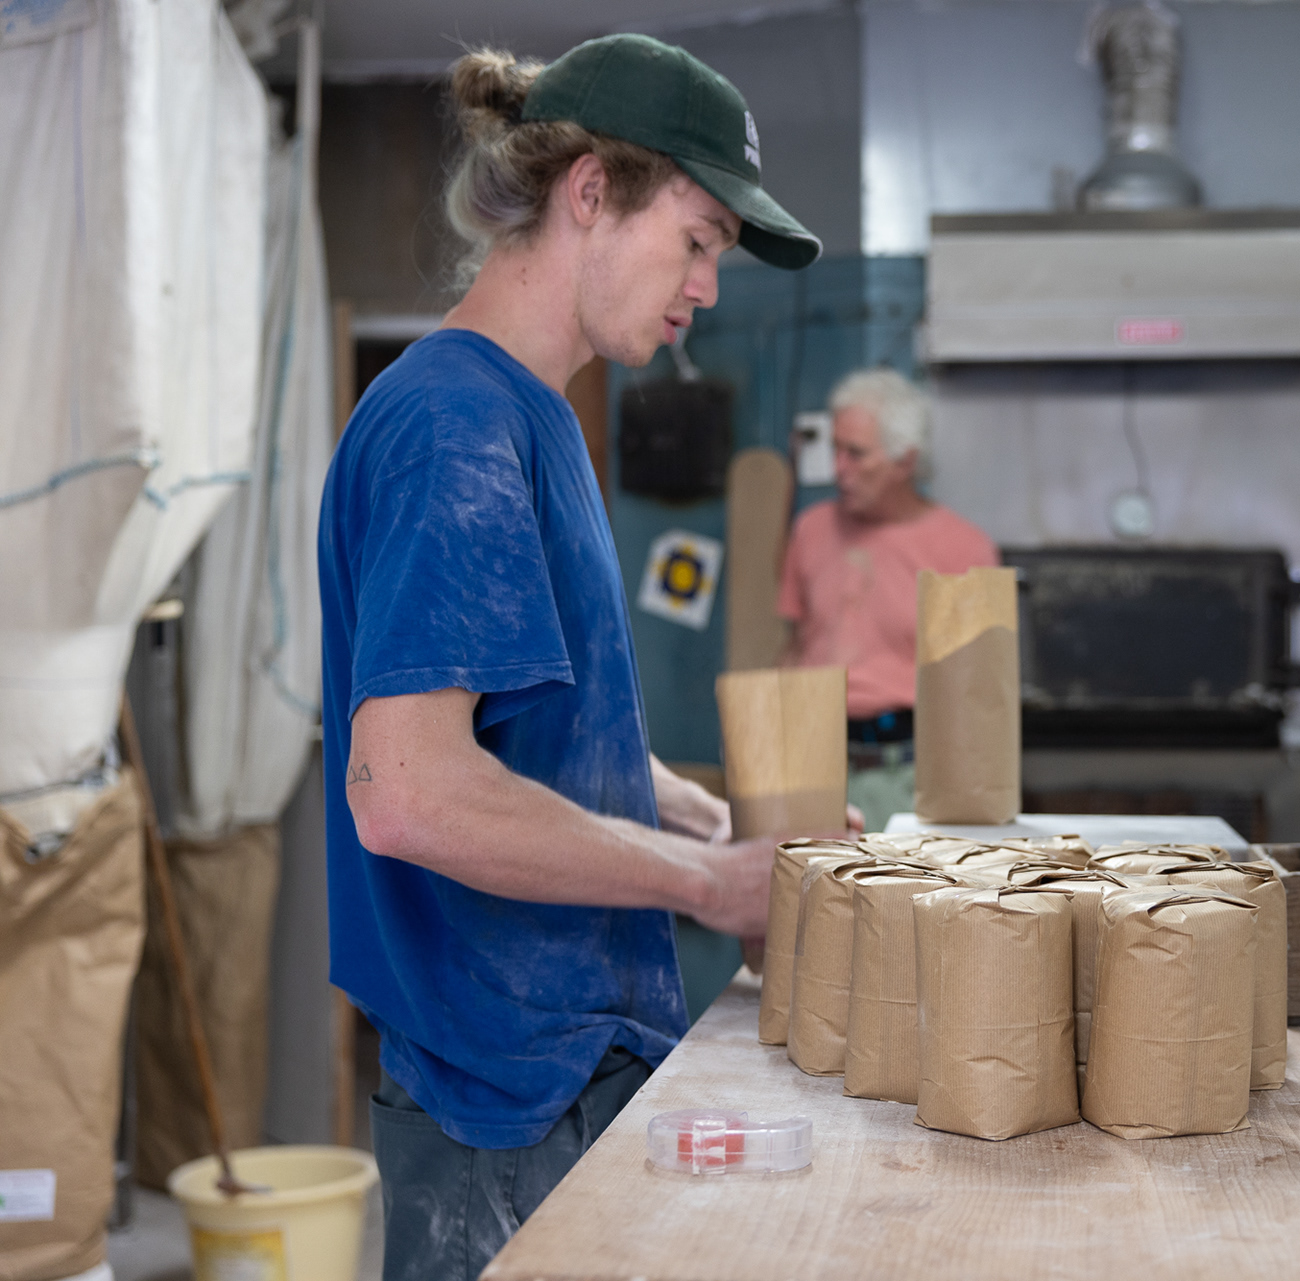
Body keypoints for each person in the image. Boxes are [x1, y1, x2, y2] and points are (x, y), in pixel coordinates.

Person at [317, 37, 824, 1281]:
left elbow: (528, 740)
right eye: (698, 240)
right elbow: (411, 792)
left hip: (563, 1072)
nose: (708, 287)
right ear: (590, 192)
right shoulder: (455, 425)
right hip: (502, 1105)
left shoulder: (531, 417)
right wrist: (706, 887)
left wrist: (706, 821)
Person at [777, 369, 999, 828]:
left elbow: (978, 692)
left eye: (856, 454)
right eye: (835, 449)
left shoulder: (964, 549)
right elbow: (797, 643)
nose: (839, 468)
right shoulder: (811, 529)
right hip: (813, 764)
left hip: (911, 774)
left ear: (904, 461)